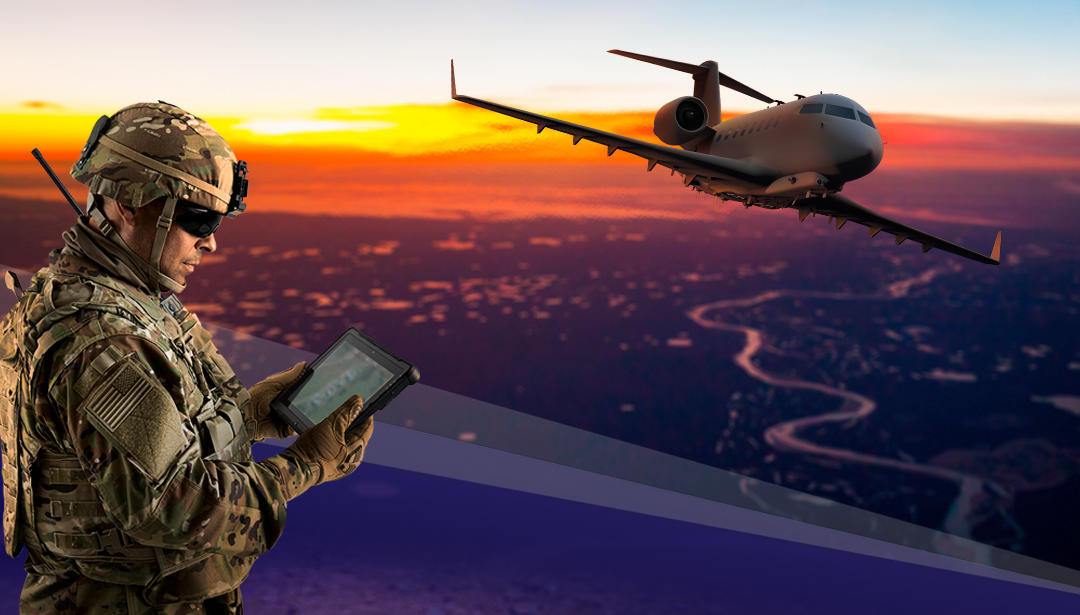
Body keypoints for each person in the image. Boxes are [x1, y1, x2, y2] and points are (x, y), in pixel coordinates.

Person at [0, 102, 373, 614]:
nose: (211, 242)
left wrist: (252, 415)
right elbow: (178, 506)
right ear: (129, 206)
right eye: (197, 219)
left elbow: (156, 442)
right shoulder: (101, 339)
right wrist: (309, 464)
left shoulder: (123, 300)